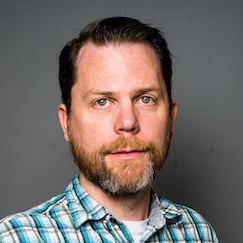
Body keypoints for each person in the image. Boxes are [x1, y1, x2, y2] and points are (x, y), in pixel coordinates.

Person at [0, 16, 218, 242]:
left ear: (171, 117)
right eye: (102, 101)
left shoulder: (198, 232)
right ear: (67, 122)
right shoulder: (15, 237)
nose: (127, 122)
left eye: (145, 99)